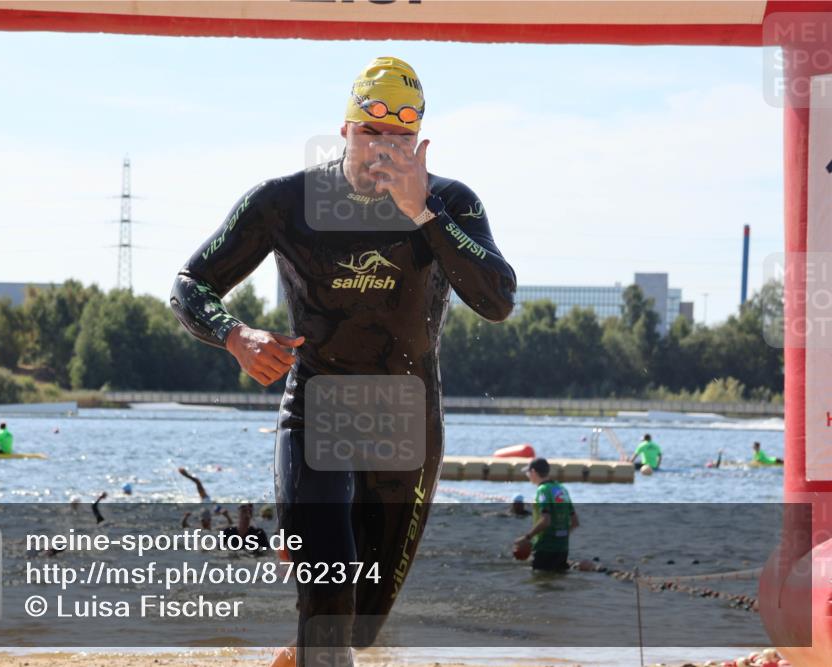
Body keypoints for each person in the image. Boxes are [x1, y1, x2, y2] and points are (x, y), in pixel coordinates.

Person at [171, 56, 516, 666]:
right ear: (344, 130)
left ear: (420, 142)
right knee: (331, 590)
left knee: (361, 621)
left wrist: (423, 214)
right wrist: (235, 335)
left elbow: (498, 301)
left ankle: (299, 654)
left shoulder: (451, 203)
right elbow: (189, 284)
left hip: (407, 422)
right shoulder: (285, 201)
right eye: (370, 131)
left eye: (400, 137)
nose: (383, 148)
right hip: (316, 411)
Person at [514, 458, 578, 572]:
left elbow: (546, 521)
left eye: (528, 473)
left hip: (545, 547)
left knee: (539, 579)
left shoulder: (542, 490)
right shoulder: (562, 489)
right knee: (558, 580)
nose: (528, 476)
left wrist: (527, 538)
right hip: (562, 548)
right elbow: (575, 522)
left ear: (533, 472)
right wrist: (560, 538)